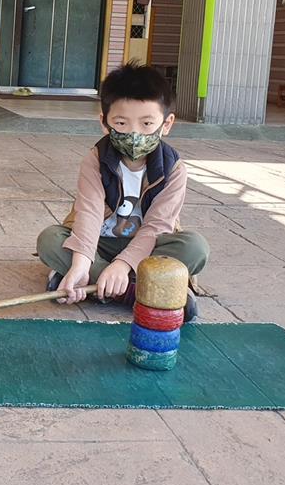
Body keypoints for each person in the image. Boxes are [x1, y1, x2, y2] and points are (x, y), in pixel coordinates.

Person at [36, 62, 208, 322]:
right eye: (121, 123)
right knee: (50, 240)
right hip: (100, 244)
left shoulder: (173, 168)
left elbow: (156, 227)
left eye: (147, 123)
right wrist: (82, 263)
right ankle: (140, 290)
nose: (134, 134)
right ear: (104, 123)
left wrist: (123, 264)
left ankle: (100, 284)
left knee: (195, 248)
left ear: (167, 123)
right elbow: (89, 214)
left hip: (149, 246)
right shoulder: (95, 160)